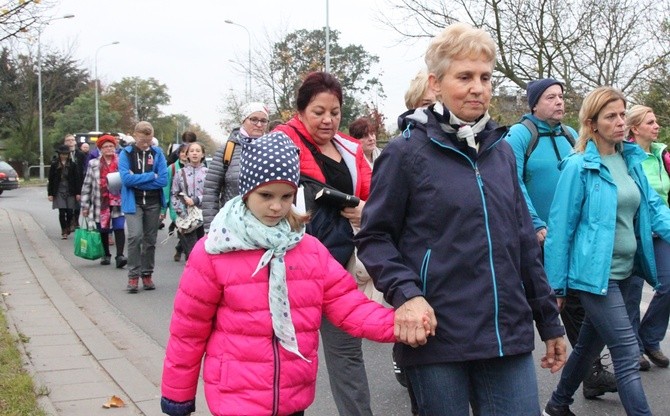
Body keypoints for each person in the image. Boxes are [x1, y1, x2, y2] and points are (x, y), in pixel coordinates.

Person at [355, 23, 567, 416]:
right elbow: (375, 238)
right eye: (464, 77)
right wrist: (407, 295)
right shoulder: (404, 155)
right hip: (437, 337)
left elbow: (523, 242)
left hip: (506, 336)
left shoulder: (501, 154)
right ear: (435, 84)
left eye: (485, 77)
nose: (478, 88)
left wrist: (549, 321)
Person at [160, 132, 424, 416]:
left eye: (286, 196)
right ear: (246, 191)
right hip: (236, 397)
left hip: (292, 394)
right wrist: (178, 397)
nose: (277, 206)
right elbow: (188, 331)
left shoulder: (308, 250)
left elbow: (349, 306)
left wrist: (402, 324)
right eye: (266, 195)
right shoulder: (213, 252)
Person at [542, 87, 670, 416]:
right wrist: (556, 286)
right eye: (610, 116)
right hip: (595, 278)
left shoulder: (631, 161)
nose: (620, 122)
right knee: (627, 354)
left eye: (622, 115)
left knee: (588, 344)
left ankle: (558, 404)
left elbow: (655, 209)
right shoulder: (578, 166)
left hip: (629, 273)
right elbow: (560, 228)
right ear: (592, 123)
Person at [273, 71, 378, 416]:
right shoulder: (281, 142)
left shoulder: (349, 148)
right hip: (293, 269)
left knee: (347, 353)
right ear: (301, 111)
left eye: (335, 112)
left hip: (341, 269)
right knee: (290, 358)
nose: (328, 120)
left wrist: (366, 210)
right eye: (319, 111)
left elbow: (372, 194)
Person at [505, 78, 617, 399]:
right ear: (534, 104)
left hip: (568, 240)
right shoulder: (520, 136)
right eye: (551, 97)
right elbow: (511, 182)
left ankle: (590, 372)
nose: (559, 102)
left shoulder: (570, 135)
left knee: (578, 305)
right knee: (535, 306)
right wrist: (536, 223)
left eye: (561, 96)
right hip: (532, 240)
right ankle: (508, 375)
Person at [626, 105, 670, 370]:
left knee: (668, 285)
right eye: (650, 122)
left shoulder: (661, 155)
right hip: (635, 232)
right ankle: (634, 348)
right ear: (635, 128)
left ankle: (650, 337)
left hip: (661, 229)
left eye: (656, 121)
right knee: (631, 293)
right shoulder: (626, 156)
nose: (656, 126)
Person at [201, 102, 269, 231]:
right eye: (253, 119)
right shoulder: (228, 150)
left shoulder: (272, 150)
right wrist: (211, 228)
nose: (259, 125)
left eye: (263, 121)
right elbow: (211, 190)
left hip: (264, 226)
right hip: (231, 226)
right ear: (243, 120)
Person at [118, 121, 168, 293]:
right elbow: (125, 180)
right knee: (135, 236)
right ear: (135, 136)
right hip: (134, 203)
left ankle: (147, 273)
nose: (145, 144)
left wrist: (138, 181)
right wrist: (150, 176)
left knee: (150, 240)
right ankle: (133, 276)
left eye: (148, 140)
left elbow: (163, 180)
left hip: (153, 203)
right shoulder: (126, 153)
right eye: (142, 140)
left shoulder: (158, 153)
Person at [80, 134, 127, 268]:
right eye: (105, 147)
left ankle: (120, 256)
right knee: (103, 229)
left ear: (115, 147)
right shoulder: (93, 163)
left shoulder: (121, 161)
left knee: (118, 227)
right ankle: (106, 254)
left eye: (111, 146)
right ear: (100, 148)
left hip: (118, 201)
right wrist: (85, 205)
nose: (109, 149)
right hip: (100, 202)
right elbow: (87, 184)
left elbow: (128, 178)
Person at [170, 142, 208, 260]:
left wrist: (196, 200)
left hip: (204, 217)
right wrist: (180, 211)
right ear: (187, 155)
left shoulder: (208, 173)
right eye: (192, 151)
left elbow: (213, 194)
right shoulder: (180, 173)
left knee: (203, 250)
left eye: (197, 151)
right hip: (187, 217)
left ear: (202, 154)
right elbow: (174, 193)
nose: (195, 153)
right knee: (191, 253)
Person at [48, 144, 82, 239]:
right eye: (62, 154)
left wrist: (78, 193)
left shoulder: (73, 165)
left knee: (70, 211)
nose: (64, 156)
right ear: (59, 155)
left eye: (66, 154)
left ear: (68, 155)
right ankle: (64, 230)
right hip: (58, 190)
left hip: (70, 190)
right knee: (62, 211)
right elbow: (51, 179)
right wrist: (50, 194)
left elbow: (77, 179)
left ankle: (68, 226)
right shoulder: (54, 165)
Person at [164, 143, 188, 262]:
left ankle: (180, 247)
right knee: (182, 229)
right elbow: (166, 188)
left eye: (187, 152)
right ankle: (184, 249)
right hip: (176, 205)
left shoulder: (198, 167)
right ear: (178, 154)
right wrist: (164, 208)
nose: (185, 154)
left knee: (189, 230)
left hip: (191, 205)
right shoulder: (172, 168)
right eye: (182, 152)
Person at [63, 133, 86, 230]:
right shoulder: (63, 154)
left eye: (72, 140)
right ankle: (68, 221)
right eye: (68, 140)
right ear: (65, 142)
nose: (70, 142)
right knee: (68, 205)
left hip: (79, 181)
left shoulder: (80, 154)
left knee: (77, 204)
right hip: (67, 182)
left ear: (75, 142)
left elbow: (84, 167)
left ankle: (75, 220)